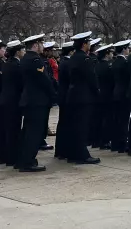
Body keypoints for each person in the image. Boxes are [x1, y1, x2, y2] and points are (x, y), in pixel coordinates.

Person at [17, 34, 57, 172]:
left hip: (29, 100)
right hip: (37, 101)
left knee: (27, 131)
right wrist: (54, 95)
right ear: (35, 45)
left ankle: (23, 160)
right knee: (34, 133)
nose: (43, 46)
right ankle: (28, 162)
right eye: (41, 44)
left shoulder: (25, 59)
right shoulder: (35, 60)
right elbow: (44, 81)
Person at [66, 32, 101, 165]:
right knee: (82, 126)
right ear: (84, 44)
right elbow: (91, 78)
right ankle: (82, 155)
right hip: (83, 97)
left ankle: (73, 154)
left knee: (75, 126)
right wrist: (97, 92)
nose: (90, 45)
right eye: (88, 43)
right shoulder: (85, 59)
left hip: (73, 95)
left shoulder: (73, 58)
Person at [0, 40, 24, 167]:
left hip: (5, 99)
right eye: (22, 50)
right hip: (13, 101)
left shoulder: (7, 64)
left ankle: (5, 156)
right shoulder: (16, 65)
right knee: (13, 130)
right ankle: (12, 157)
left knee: (7, 129)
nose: (24, 52)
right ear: (17, 52)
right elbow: (20, 83)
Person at [54, 41, 75, 160]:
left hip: (63, 96)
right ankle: (65, 150)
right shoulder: (68, 63)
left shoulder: (63, 62)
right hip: (67, 96)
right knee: (67, 123)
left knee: (62, 123)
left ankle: (60, 150)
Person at [111, 39, 131, 153]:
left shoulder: (114, 62)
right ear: (124, 49)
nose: (129, 50)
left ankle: (115, 143)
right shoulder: (125, 63)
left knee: (117, 119)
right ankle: (123, 144)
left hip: (116, 92)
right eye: (128, 48)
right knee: (124, 120)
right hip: (124, 94)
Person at [95, 44, 115, 150]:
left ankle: (99, 140)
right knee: (108, 118)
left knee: (100, 117)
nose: (112, 54)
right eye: (110, 52)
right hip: (108, 95)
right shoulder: (108, 66)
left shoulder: (97, 65)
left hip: (99, 95)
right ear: (106, 54)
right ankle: (105, 141)